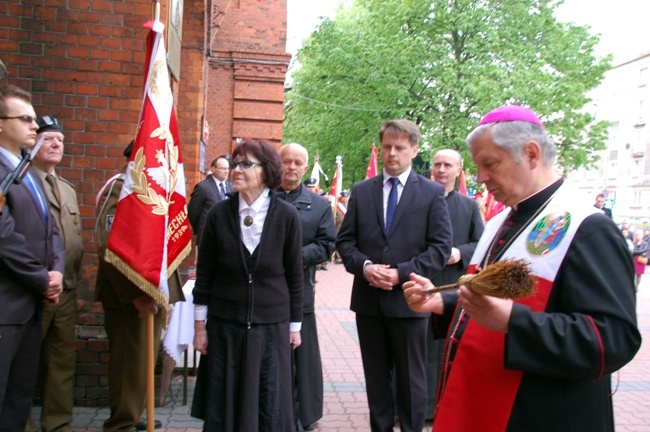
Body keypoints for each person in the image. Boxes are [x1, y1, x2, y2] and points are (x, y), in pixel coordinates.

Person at [403, 105, 642, 432]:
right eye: (478, 166)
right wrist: (441, 304)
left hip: (540, 412)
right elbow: (493, 303)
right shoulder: (501, 220)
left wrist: (514, 322)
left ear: (531, 153)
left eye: (490, 164)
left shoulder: (589, 227)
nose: (480, 178)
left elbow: (613, 339)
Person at [336, 119, 452, 432]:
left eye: (399, 147)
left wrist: (401, 274)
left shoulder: (430, 193)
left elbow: (440, 249)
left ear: (414, 150)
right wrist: (365, 267)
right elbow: (345, 242)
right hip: (369, 303)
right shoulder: (362, 191)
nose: (392, 153)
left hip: (410, 303)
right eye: (387, 146)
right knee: (376, 379)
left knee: (412, 380)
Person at [191, 138, 304, 431]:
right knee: (225, 407)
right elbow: (205, 274)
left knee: (269, 406)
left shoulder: (286, 216)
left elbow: (294, 275)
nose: (235, 170)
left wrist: (295, 326)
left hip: (271, 327)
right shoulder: (218, 214)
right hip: (226, 326)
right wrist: (200, 327)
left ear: (266, 171)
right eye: (234, 163)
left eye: (245, 164)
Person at [95, 141, 184, 432]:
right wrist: (134, 295)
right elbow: (109, 245)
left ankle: (133, 415)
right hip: (129, 297)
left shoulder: (160, 190)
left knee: (141, 362)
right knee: (128, 366)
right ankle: (121, 423)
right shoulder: (122, 188)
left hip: (153, 292)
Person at [0, 85, 64, 430]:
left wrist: (56, 271)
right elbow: (3, 237)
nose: (34, 127)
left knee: (19, 398)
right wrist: (43, 279)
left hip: (32, 304)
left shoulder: (27, 170)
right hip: (6, 305)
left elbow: (51, 228)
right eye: (25, 119)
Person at [26, 116, 85, 432]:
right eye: (48, 138)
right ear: (32, 142)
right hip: (34, 289)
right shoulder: (20, 182)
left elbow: (76, 242)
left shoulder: (67, 189)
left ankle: (58, 423)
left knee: (62, 362)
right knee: (23, 360)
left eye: (60, 140)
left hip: (67, 291)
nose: (55, 144)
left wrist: (79, 289)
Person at [278, 143, 336, 430]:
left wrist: (293, 257)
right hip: (264, 292)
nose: (291, 167)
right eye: (286, 161)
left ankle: (305, 416)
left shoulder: (320, 205)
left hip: (301, 292)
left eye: (297, 162)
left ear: (305, 167)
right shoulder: (263, 199)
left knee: (303, 358)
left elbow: (327, 245)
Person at [425, 148, 484, 418]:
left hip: (451, 288)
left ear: (459, 171)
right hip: (421, 284)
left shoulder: (469, 206)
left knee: (444, 350)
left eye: (447, 165)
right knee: (416, 349)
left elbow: (481, 244)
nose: (441, 169)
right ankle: (415, 407)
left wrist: (460, 253)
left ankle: (442, 407)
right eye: (437, 164)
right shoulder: (417, 200)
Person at [187, 155, 233, 242]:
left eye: (228, 168)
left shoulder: (232, 187)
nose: (226, 171)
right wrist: (201, 228)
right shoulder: (203, 187)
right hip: (207, 235)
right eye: (223, 168)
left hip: (227, 235)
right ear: (213, 169)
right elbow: (193, 212)